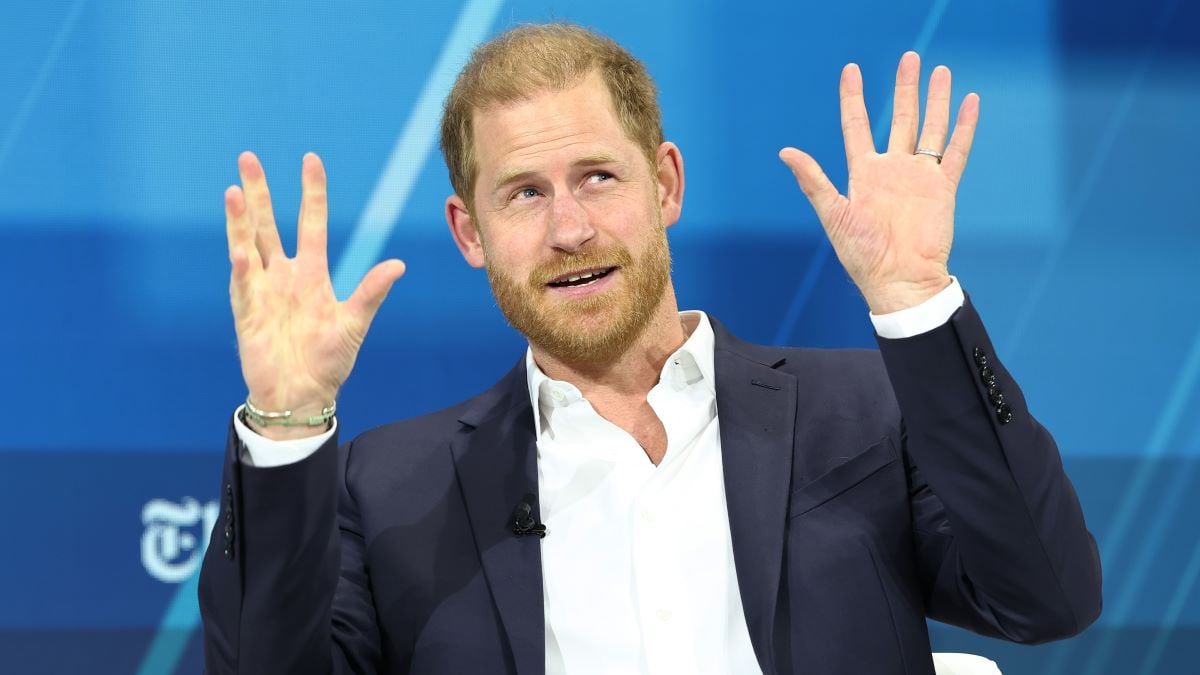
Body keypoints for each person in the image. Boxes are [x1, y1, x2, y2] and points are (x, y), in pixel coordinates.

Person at [199, 22, 1101, 675]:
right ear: (469, 233)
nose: (570, 228)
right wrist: (285, 420)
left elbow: (1047, 596)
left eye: (598, 176)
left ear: (665, 183)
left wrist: (915, 305)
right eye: (521, 194)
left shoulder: (863, 414)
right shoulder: (392, 486)